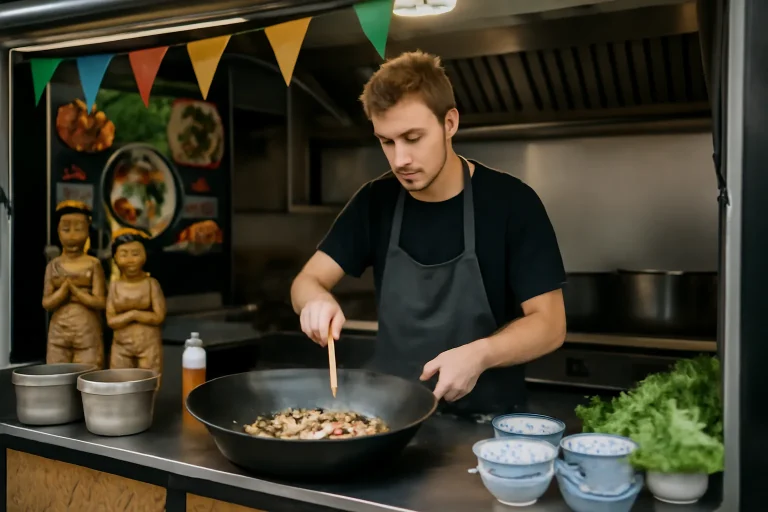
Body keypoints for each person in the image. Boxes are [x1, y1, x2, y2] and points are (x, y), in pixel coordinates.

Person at [290, 51, 567, 414]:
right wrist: (315, 301)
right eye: (387, 141)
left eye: (412, 137)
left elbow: (550, 324)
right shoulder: (376, 201)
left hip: (485, 424)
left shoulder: (512, 203)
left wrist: (480, 354)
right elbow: (307, 279)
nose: (399, 159)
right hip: (390, 420)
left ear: (449, 123)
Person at [43, 200, 106, 368]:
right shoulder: (53, 265)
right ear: (58, 231)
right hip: (59, 330)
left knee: (88, 373)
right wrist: (63, 291)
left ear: (87, 231)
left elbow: (101, 302)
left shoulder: (93, 264)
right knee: (57, 374)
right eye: (66, 229)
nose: (72, 235)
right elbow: (46, 303)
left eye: (78, 229)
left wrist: (76, 292)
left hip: (87, 330)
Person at [106, 227, 166, 375]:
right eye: (124, 254)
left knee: (149, 381)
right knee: (119, 381)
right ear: (115, 257)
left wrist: (135, 315)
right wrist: (132, 315)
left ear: (145, 256)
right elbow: (111, 321)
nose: (130, 260)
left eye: (135, 253)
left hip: (148, 344)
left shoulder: (151, 284)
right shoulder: (114, 286)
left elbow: (159, 316)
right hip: (121, 345)